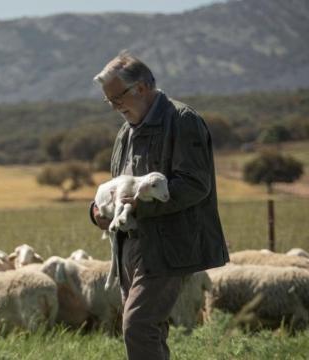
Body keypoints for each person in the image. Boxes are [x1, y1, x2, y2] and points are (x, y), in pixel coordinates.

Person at [89, 51, 229, 360]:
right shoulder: (126, 131)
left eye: (117, 98)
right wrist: (98, 212)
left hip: (167, 246)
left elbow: (194, 184)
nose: (114, 107)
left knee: (138, 326)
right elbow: (117, 185)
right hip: (127, 246)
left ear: (140, 87)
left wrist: (139, 207)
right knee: (148, 328)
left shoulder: (182, 120)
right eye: (109, 101)